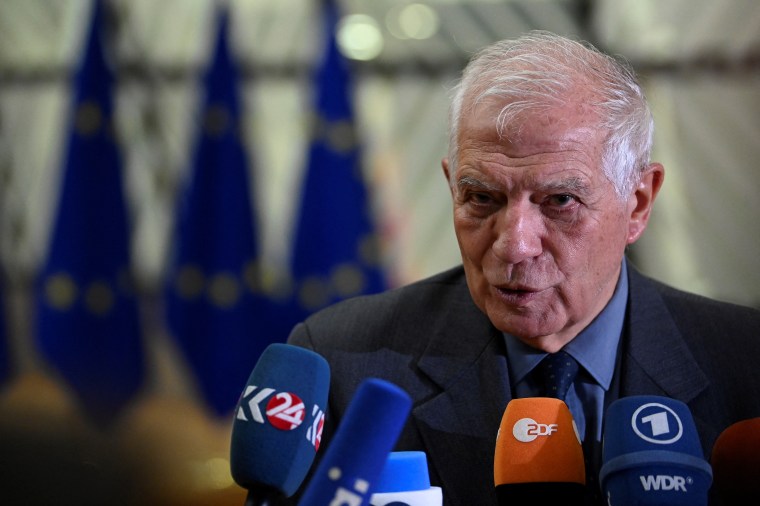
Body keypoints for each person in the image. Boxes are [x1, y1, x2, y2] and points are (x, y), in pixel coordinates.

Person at [287, 31, 760, 505]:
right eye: (481, 198)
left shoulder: (744, 364)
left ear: (637, 204)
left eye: (560, 201)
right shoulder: (340, 363)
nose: (514, 245)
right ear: (452, 186)